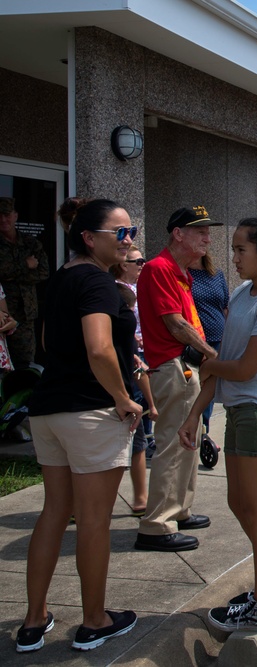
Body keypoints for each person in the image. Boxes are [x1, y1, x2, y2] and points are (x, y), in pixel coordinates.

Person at [19, 198, 140, 653]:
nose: (129, 240)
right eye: (121, 233)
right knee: (93, 521)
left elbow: (51, 342)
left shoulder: (63, 278)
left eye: (131, 231)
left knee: (55, 512)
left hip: (49, 410)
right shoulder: (97, 280)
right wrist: (123, 397)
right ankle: (94, 620)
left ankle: (34, 620)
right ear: (90, 238)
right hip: (91, 412)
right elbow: (98, 348)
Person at [178, 216, 257, 633]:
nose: (233, 258)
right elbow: (225, 359)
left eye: (240, 250)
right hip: (240, 411)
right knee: (238, 503)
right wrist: (196, 413)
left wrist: (201, 360)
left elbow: (245, 368)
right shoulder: (245, 292)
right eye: (232, 249)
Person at [135, 205, 220, 552]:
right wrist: (212, 353)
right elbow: (175, 324)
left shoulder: (181, 271)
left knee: (189, 441)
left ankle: (179, 509)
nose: (207, 237)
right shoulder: (159, 269)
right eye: (199, 230)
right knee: (174, 443)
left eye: (207, 230)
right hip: (174, 366)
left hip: (184, 366)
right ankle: (157, 524)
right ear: (177, 233)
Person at [110, 249, 155, 515]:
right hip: (119, 374)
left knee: (137, 440)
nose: (142, 264)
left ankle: (141, 498)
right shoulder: (114, 291)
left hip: (133, 360)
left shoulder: (138, 288)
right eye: (137, 261)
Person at [0, 196, 50, 369]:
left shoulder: (30, 242)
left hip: (25, 315)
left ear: (15, 215)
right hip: (2, 314)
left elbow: (43, 272)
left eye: (7, 214)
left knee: (24, 364)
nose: (3, 219)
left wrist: (11, 274)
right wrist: (25, 265)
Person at [189, 249, 229, 448]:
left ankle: (203, 431)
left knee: (209, 390)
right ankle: (193, 430)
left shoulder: (216, 274)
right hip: (195, 342)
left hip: (218, 339)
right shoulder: (184, 275)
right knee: (194, 388)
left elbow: (225, 306)